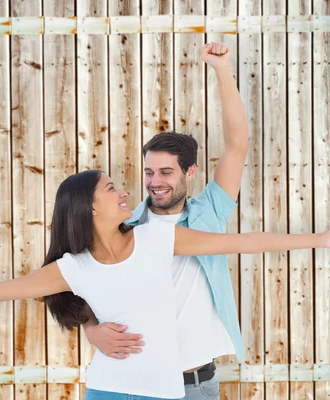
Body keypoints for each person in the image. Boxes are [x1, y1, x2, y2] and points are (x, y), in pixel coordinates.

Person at [0, 170, 330, 400]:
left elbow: (240, 243)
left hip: (167, 393)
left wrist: (320, 239)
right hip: (108, 391)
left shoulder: (158, 238)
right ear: (90, 207)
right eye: (112, 188)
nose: (125, 192)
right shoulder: (74, 268)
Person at [82, 41, 250, 398]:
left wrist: (222, 71)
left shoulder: (210, 213)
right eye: (149, 171)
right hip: (135, 383)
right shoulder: (125, 225)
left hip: (195, 385)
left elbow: (237, 144)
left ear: (190, 173)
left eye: (166, 172)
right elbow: (80, 278)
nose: (155, 181)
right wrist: (90, 327)